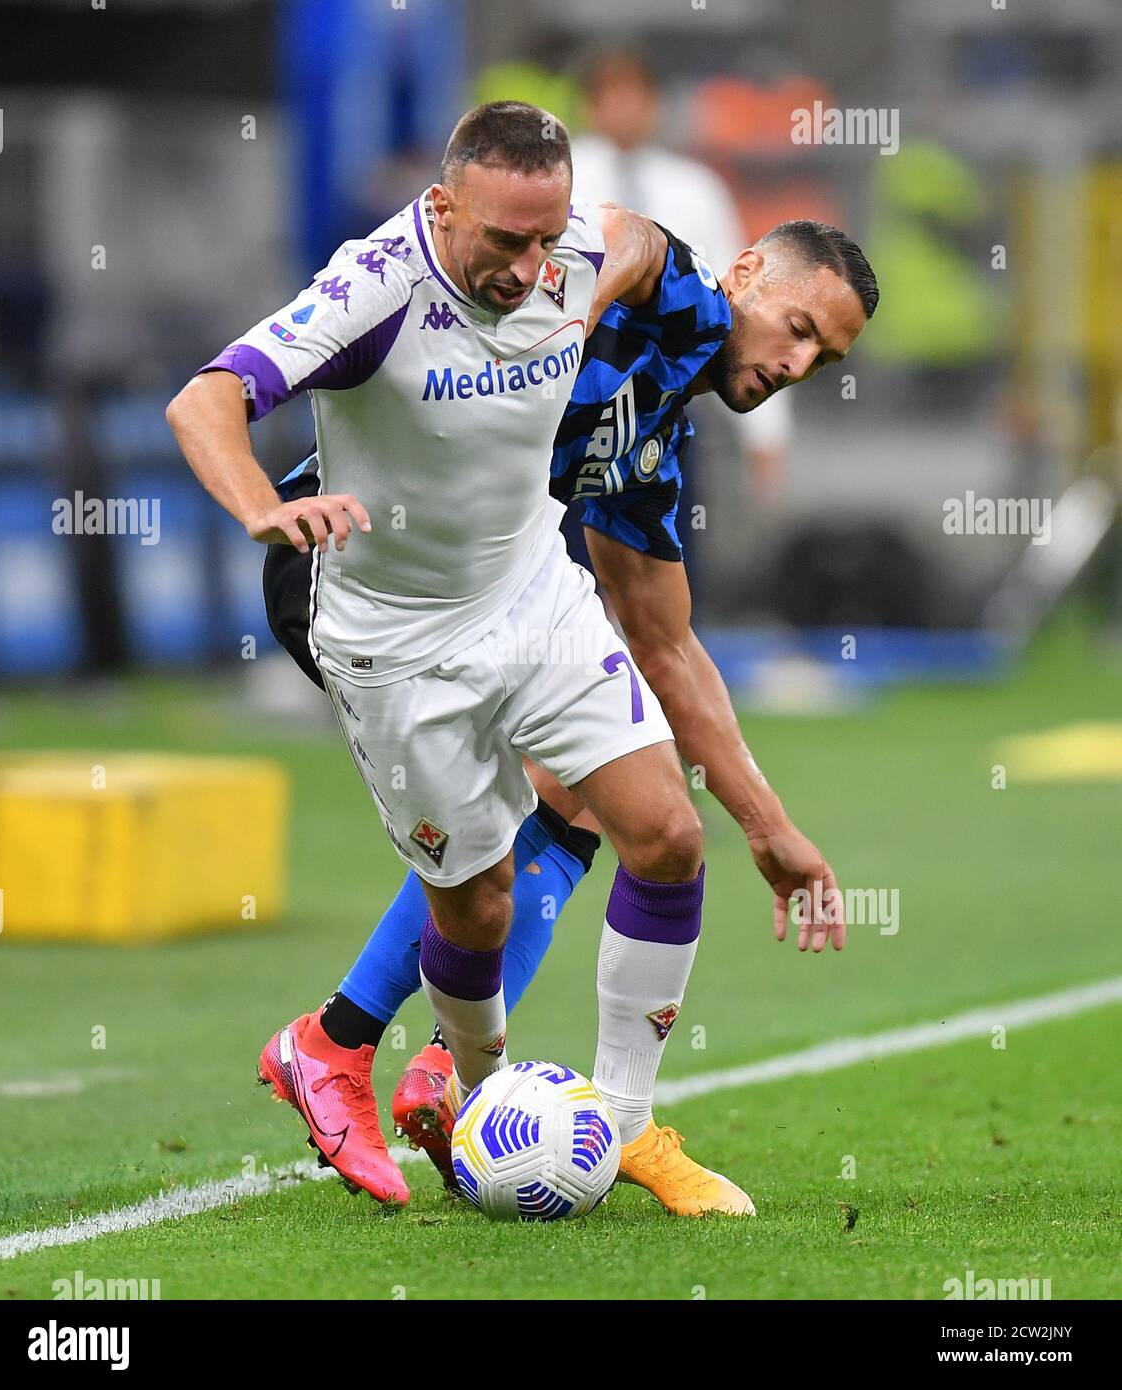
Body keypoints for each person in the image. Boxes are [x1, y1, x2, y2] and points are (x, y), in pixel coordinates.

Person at [259, 216, 876, 1202]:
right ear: (749, 270)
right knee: (503, 844)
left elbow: (668, 645)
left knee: (658, 827)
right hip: (352, 574)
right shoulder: (680, 299)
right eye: (797, 326)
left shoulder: (646, 445)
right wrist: (578, 307)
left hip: (483, 603)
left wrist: (768, 828)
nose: (798, 362)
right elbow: (633, 239)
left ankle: (585, 1114)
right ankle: (348, 1047)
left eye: (824, 354)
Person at [571, 46, 791, 500]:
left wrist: (766, 431)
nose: (625, 110)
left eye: (637, 97)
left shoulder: (696, 190)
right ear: (590, 105)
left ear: (656, 107)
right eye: (612, 96)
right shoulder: (562, 181)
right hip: (571, 401)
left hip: (670, 404)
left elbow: (740, 303)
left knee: (666, 551)